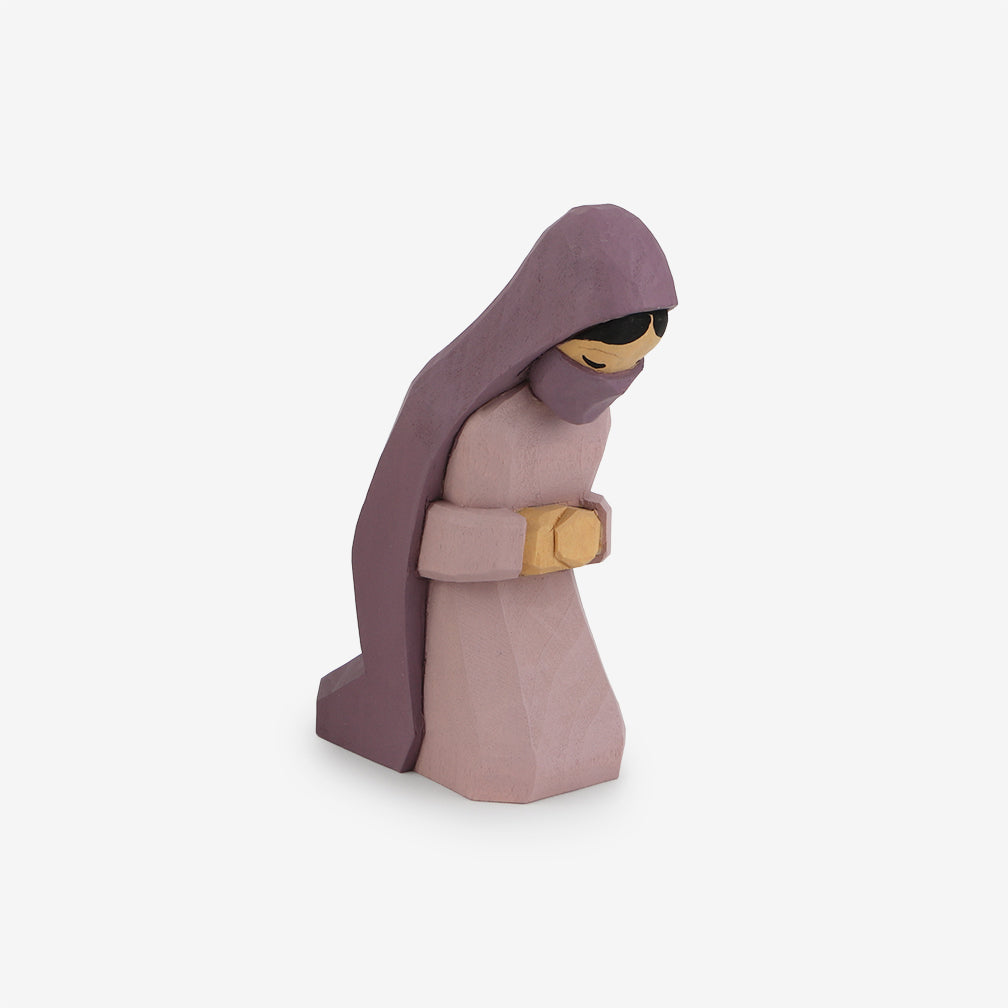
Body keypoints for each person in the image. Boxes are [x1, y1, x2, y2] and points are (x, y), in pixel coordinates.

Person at [316, 204, 677, 801]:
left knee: (590, 733)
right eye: (597, 361)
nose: (612, 383)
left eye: (635, 363)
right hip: (474, 618)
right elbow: (422, 541)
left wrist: (594, 527)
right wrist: (534, 540)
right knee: (515, 750)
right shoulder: (486, 430)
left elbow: (572, 502)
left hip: (548, 608)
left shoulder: (595, 424)